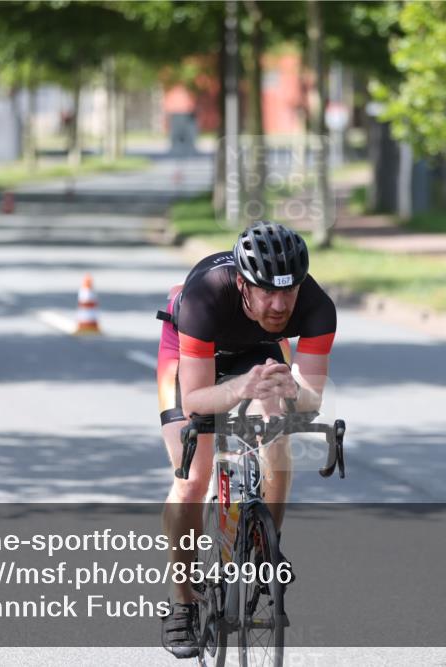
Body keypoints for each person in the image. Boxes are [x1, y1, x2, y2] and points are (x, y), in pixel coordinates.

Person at [155, 220, 336, 658]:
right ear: (242, 283)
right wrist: (240, 388)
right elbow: (196, 401)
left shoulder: (317, 308)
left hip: (257, 353)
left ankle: (265, 544)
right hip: (192, 354)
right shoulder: (204, 296)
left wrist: (290, 392)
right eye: (266, 292)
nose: (279, 305)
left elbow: (310, 401)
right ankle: (181, 602)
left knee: (275, 426)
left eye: (288, 292)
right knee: (192, 477)